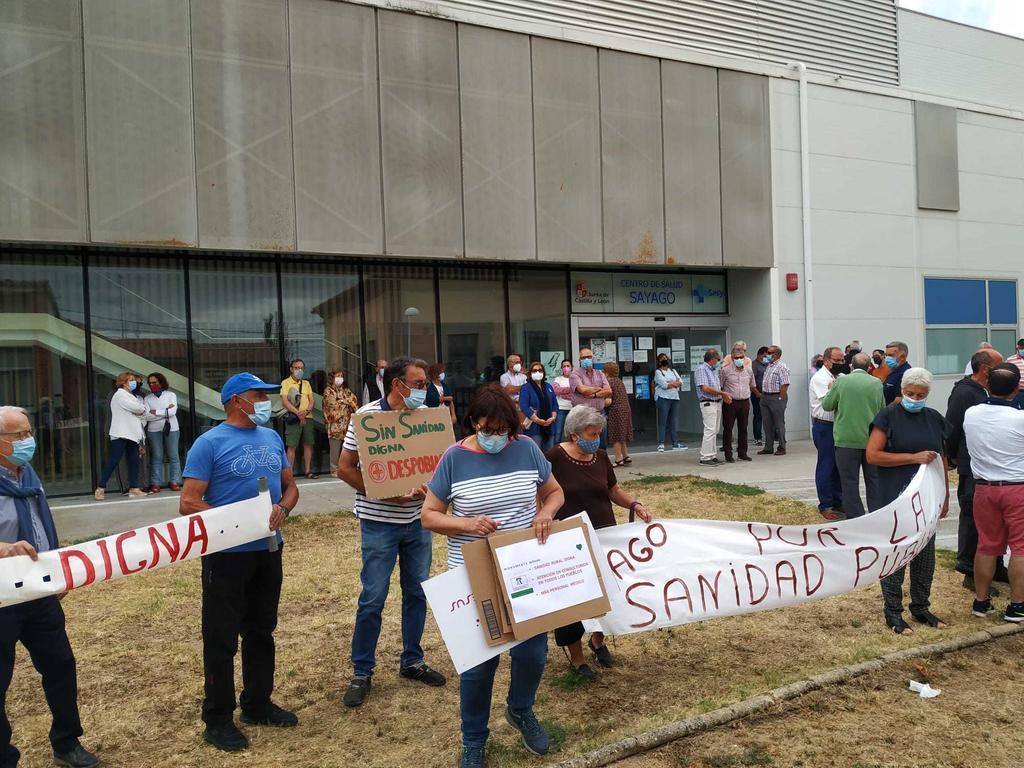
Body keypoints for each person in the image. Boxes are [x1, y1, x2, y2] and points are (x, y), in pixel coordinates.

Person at [421, 384, 564, 768]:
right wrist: (466, 523)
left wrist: (545, 512)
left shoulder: (527, 449)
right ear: (475, 422)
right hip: (473, 573)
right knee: (480, 664)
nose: (498, 437)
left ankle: (520, 709)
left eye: (505, 430)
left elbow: (554, 492)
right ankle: (474, 739)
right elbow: (429, 514)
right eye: (490, 429)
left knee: (533, 653)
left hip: (522, 567)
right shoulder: (453, 457)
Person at [179, 373, 300, 752]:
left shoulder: (273, 437)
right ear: (235, 400)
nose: (266, 400)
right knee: (221, 638)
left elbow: (291, 487)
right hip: (227, 556)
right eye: (258, 394)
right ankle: (217, 719)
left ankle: (257, 703)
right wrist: (232, 521)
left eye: (267, 394)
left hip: (267, 550)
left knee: (262, 630)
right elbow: (188, 501)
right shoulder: (208, 443)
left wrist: (282, 507)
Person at [337, 357, 446, 708]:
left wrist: (432, 490)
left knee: (416, 593)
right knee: (373, 597)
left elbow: (441, 466)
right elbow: (344, 468)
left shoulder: (428, 419)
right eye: (417, 382)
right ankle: (362, 670)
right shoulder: (367, 418)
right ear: (397, 384)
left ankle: (412, 661)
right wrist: (383, 491)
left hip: (418, 522)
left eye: (426, 382)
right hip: (378, 523)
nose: (424, 388)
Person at [0, 406, 99, 768]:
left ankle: (67, 742)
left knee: (60, 665)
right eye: (19, 436)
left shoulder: (27, 474)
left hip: (39, 591)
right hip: (2, 595)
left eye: (29, 433)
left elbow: (41, 523)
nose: (29, 441)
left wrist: (57, 569)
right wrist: (4, 549)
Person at [546, 405, 650, 680]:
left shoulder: (601, 457)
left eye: (599, 433)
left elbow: (612, 490)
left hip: (604, 534)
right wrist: (546, 519)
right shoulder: (554, 457)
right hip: (569, 540)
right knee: (574, 598)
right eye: (592, 433)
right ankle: (576, 656)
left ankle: (598, 640)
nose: (596, 438)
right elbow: (540, 491)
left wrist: (635, 504)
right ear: (575, 433)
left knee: (606, 593)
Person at [866, 367, 951, 635]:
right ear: (902, 391)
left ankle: (921, 606)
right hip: (894, 496)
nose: (915, 398)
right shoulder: (888, 416)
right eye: (910, 393)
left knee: (925, 556)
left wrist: (945, 495)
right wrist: (912, 457)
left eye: (921, 394)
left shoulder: (934, 418)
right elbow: (873, 455)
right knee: (896, 554)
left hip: (926, 498)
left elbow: (941, 458)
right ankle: (893, 611)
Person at [964, 363, 1024, 623]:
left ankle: (981, 601)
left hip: (984, 488)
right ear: (1017, 389)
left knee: (987, 546)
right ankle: (1017, 605)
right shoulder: (1020, 419)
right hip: (1017, 487)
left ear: (987, 385)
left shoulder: (972, 414)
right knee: (1020, 549)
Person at [946, 350, 1009, 592]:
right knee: (973, 518)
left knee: (996, 519)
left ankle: (997, 565)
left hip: (990, 466)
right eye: (999, 365)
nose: (1003, 369)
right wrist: (951, 457)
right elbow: (950, 428)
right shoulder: (964, 392)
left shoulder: (983, 391)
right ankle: (970, 571)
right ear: (985, 368)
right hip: (971, 466)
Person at [823, 352, 884, 519]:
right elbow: (882, 411)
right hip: (871, 440)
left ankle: (856, 516)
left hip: (846, 440)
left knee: (849, 482)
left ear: (851, 366)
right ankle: (877, 514)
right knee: (874, 480)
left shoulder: (841, 382)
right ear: (869, 367)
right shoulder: (877, 384)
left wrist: (830, 390)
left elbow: (827, 405)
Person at [94, 371, 147, 500]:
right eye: (132, 380)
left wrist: (140, 410)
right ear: (124, 383)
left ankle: (134, 488)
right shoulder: (120, 395)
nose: (135, 383)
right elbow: (139, 409)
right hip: (121, 433)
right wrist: (140, 410)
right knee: (114, 460)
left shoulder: (130, 395)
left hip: (132, 434)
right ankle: (100, 488)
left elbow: (141, 410)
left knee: (134, 461)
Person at [808, 346, 844, 520]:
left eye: (842, 360)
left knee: (838, 466)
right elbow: (831, 401)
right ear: (827, 360)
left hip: (837, 426)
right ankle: (825, 504)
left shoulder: (839, 377)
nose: (840, 363)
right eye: (837, 361)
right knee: (826, 465)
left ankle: (838, 500)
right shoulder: (820, 378)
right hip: (825, 426)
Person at [719, 343, 758, 463]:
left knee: (743, 428)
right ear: (731, 358)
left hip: (744, 401)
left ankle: (742, 452)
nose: (739, 360)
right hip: (730, 402)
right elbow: (720, 386)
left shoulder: (749, 371)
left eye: (741, 357)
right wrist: (725, 396)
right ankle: (728, 454)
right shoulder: (725, 371)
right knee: (728, 429)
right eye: (736, 358)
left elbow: (752, 385)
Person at [280, 358, 318, 480]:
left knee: (308, 444)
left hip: (308, 417)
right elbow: (285, 401)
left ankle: (308, 471)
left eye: (301, 368)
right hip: (293, 418)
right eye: (296, 368)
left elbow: (312, 401)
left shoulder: (306, 384)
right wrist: (298, 413)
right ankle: (289, 474)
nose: (299, 370)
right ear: (291, 369)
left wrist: (306, 411)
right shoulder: (285, 383)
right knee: (291, 446)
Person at [144, 372, 181, 493]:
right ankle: (156, 483)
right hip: (153, 430)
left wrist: (156, 412)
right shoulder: (147, 398)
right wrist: (165, 411)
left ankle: (175, 481)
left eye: (154, 382)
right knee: (157, 456)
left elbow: (173, 412)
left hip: (172, 428)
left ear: (161, 382)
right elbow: (147, 416)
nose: (152, 385)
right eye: (150, 383)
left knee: (173, 455)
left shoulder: (171, 395)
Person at [694, 348, 730, 467]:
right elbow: (705, 388)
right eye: (717, 359)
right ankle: (705, 457)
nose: (718, 362)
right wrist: (722, 393)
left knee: (715, 430)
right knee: (709, 430)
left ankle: (712, 455)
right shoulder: (702, 369)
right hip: (708, 402)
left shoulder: (713, 371)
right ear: (712, 359)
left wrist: (721, 395)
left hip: (716, 402)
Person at [569, 349, 612, 447]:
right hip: (583, 415)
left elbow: (609, 391)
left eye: (589, 357)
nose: (586, 359)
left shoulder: (600, 373)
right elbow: (583, 390)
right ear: (579, 359)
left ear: (593, 358)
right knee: (585, 444)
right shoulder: (575, 375)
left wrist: (594, 394)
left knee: (602, 444)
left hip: (599, 413)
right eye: (583, 358)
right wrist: (600, 389)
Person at [323, 369, 359, 474]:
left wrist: (343, 401)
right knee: (335, 448)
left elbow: (354, 401)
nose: (340, 378)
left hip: (348, 424)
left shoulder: (346, 390)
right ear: (332, 378)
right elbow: (332, 406)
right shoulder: (328, 391)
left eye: (341, 376)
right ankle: (334, 469)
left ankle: (349, 468)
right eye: (338, 376)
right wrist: (346, 402)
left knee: (348, 447)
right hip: (335, 425)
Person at [758, 346, 791, 456]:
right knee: (767, 423)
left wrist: (780, 398)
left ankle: (782, 446)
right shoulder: (769, 366)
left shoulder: (782, 367)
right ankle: (768, 447)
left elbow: (785, 384)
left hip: (776, 397)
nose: (766, 354)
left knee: (779, 423)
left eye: (769, 352)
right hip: (765, 397)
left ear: (776, 354)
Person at [519, 362, 558, 452]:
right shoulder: (526, 387)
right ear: (530, 373)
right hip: (534, 428)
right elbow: (524, 406)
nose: (537, 372)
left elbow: (554, 404)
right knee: (536, 453)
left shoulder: (548, 386)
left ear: (543, 373)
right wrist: (537, 420)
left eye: (540, 370)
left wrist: (552, 418)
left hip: (549, 426)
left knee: (549, 453)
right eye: (535, 370)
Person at [602, 362, 633, 466]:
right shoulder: (619, 381)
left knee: (616, 435)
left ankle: (618, 458)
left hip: (616, 411)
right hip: (625, 409)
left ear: (606, 373)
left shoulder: (609, 383)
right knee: (622, 434)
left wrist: (599, 402)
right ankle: (626, 456)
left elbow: (609, 401)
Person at [653, 352, 685, 452]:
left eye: (666, 358)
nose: (665, 360)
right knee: (663, 421)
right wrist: (674, 384)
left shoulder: (673, 371)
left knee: (673, 421)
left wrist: (672, 384)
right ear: (659, 362)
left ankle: (675, 443)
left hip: (674, 398)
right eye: (662, 359)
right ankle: (661, 443)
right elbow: (664, 385)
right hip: (663, 398)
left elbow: (681, 382)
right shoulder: (658, 372)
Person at [425, 362, 457, 426]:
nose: (443, 374)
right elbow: (437, 399)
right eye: (441, 372)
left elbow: (451, 400)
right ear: (435, 374)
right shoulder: (429, 387)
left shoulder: (444, 385)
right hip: (434, 416)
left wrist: (453, 415)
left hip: (446, 414)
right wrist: (446, 398)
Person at [551, 360, 574, 444]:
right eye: (564, 366)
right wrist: (570, 390)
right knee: (558, 432)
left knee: (572, 432)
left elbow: (577, 393)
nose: (566, 368)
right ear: (561, 368)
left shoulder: (575, 378)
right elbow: (555, 390)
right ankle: (555, 451)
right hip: (560, 408)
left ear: (572, 367)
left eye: (568, 366)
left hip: (573, 409)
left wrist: (563, 393)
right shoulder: (558, 379)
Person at [881, 341, 911, 406]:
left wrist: (884, 412)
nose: (887, 358)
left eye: (890, 355)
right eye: (886, 355)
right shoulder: (894, 371)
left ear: (902, 357)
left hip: (894, 414)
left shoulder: (905, 374)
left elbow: (899, 400)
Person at [751, 345, 769, 446]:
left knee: (769, 415)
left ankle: (773, 436)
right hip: (757, 394)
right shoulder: (754, 365)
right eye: (764, 356)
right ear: (759, 355)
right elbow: (752, 380)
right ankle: (758, 438)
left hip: (767, 394)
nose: (766, 358)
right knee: (758, 415)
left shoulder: (768, 365)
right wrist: (757, 393)